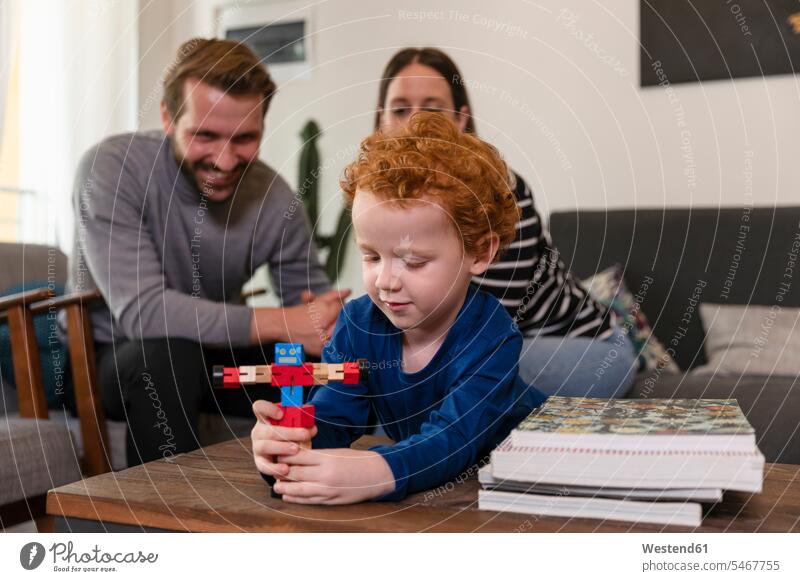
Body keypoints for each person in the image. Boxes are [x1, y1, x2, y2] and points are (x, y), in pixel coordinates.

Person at [65, 38, 348, 466]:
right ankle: (166, 526)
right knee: (164, 354)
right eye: (205, 135)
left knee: (329, 371)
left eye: (245, 139)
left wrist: (326, 321)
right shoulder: (110, 170)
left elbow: (310, 310)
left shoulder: (274, 200)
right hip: (112, 361)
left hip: (211, 356)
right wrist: (283, 322)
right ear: (167, 116)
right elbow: (143, 313)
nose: (225, 159)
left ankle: (328, 504)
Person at [251, 113, 547, 503]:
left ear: (480, 252)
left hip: (537, 470)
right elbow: (334, 416)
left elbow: (453, 439)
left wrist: (379, 470)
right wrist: (288, 444)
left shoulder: (491, 335)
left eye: (414, 261)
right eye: (371, 256)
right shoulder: (358, 325)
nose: (386, 280)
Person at [373, 47, 637, 398]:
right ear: (381, 121)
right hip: (478, 344)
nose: (416, 122)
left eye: (434, 109)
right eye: (401, 109)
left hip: (582, 347)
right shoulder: (382, 201)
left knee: (433, 372)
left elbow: (480, 327)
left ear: (461, 120)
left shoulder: (499, 191)